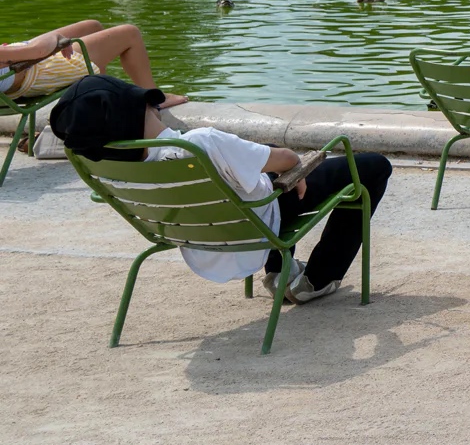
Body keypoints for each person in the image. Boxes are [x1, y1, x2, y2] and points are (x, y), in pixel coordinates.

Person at [49, 74, 389, 304]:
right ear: (136, 114)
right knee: (371, 167)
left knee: (254, 162)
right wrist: (292, 166)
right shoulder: (200, 144)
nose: (155, 105)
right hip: (256, 226)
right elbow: (286, 158)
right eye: (146, 103)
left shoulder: (110, 166)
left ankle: (277, 271)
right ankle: (316, 280)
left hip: (199, 237)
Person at [5, 21, 176, 151]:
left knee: (93, 27)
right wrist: (54, 39)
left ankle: (100, 112)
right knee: (129, 33)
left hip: (17, 63)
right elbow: (38, 52)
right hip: (35, 71)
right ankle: (155, 97)